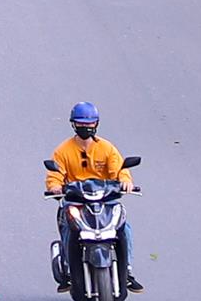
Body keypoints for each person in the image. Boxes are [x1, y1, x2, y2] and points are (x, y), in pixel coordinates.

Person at [44, 101, 141, 291]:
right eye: (81, 124)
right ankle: (68, 270)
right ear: (73, 124)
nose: (86, 128)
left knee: (124, 228)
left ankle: (127, 271)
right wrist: (55, 187)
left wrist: (125, 181)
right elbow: (55, 175)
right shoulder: (63, 151)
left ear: (96, 124)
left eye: (89, 124)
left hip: (105, 201)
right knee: (68, 229)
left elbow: (119, 169)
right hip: (76, 202)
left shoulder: (107, 148)